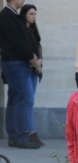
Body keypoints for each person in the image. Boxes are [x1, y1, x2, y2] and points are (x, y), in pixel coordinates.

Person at [0, 0, 41, 149]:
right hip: (15, 63)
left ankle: (14, 136)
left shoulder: (10, 15)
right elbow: (17, 42)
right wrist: (31, 57)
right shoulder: (8, 15)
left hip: (15, 62)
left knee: (15, 98)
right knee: (24, 98)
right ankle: (21, 136)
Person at [19, 3, 44, 146]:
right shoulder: (22, 31)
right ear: (25, 15)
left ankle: (30, 130)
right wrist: (34, 62)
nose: (33, 17)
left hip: (35, 70)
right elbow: (24, 50)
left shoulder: (34, 31)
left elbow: (38, 47)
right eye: (31, 14)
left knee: (30, 100)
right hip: (26, 68)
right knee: (27, 100)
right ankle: (29, 131)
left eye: (35, 14)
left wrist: (39, 62)